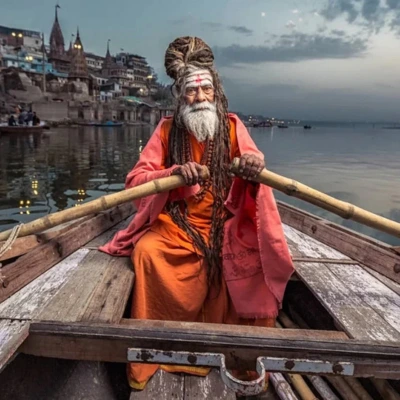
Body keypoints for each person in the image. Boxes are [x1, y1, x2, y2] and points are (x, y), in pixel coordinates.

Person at [100, 36, 294, 391]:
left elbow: (256, 163)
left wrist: (253, 163)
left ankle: (241, 356)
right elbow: (135, 182)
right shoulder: (167, 130)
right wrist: (171, 175)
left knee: (256, 256)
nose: (200, 98)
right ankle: (161, 352)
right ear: (180, 94)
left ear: (216, 92)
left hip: (227, 223)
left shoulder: (234, 127)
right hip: (178, 225)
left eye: (206, 90)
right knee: (147, 253)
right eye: (191, 91)